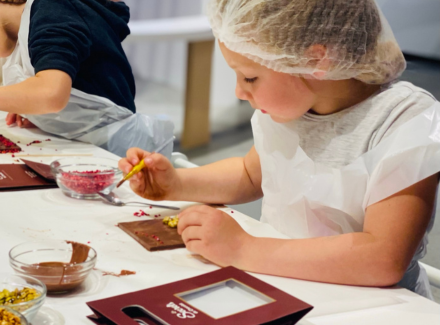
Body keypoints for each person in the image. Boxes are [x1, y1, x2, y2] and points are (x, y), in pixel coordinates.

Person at [120, 0, 440, 299]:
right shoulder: (290, 108)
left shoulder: (403, 120)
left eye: (249, 77)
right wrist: (177, 184)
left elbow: (382, 258)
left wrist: (243, 249)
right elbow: (250, 174)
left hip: (370, 302)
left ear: (316, 60)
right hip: (283, 281)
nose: (239, 92)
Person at [0, 0, 174, 157]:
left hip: (122, 154)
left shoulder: (51, 11)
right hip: (86, 151)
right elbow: (52, 94)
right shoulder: (25, 32)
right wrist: (26, 107)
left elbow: (51, 94)